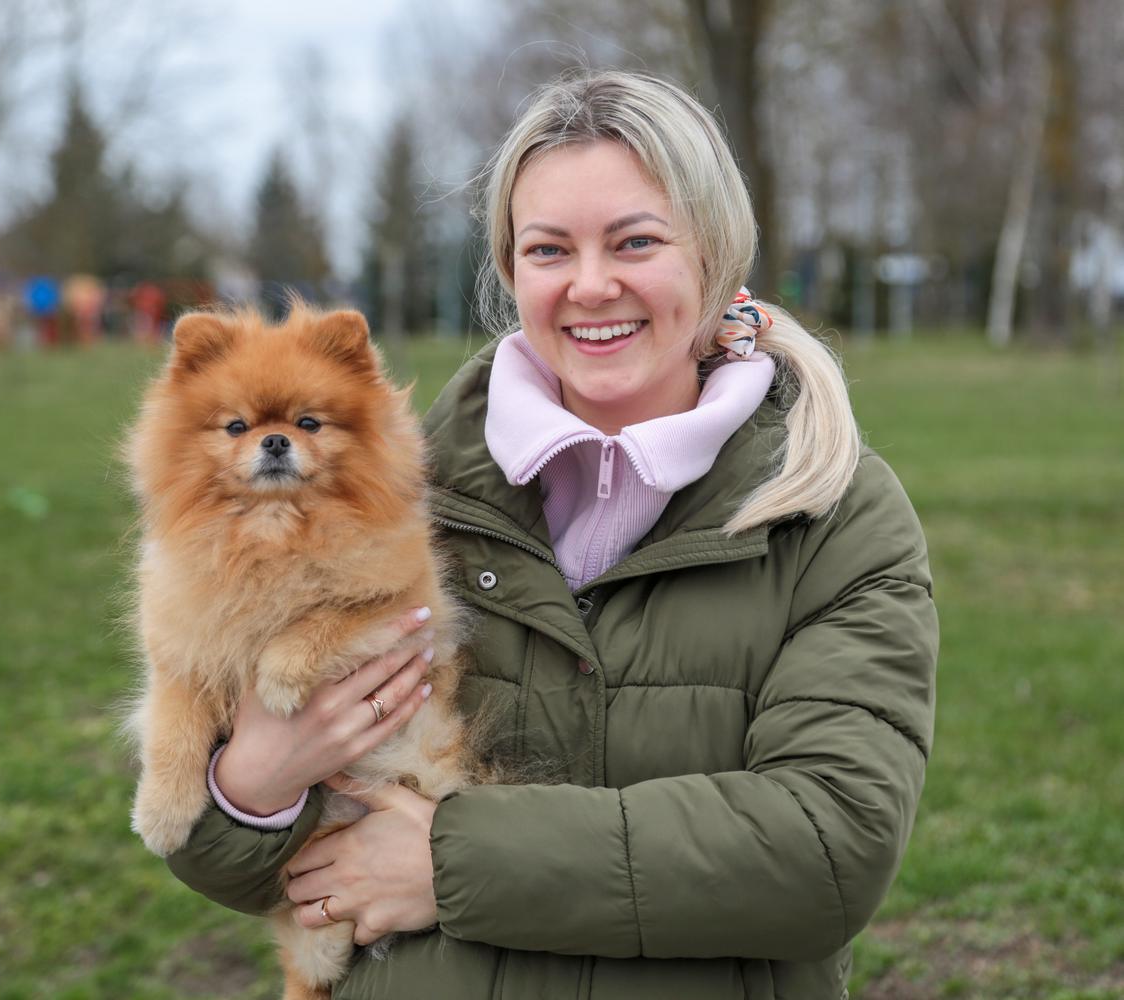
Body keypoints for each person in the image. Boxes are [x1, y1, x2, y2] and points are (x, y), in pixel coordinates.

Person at [164, 70, 938, 1000]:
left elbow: (827, 850)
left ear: (717, 254)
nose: (591, 284)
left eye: (636, 241)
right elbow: (219, 858)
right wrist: (255, 785)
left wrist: (449, 864)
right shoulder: (397, 493)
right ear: (509, 271)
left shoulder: (832, 510)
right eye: (548, 249)